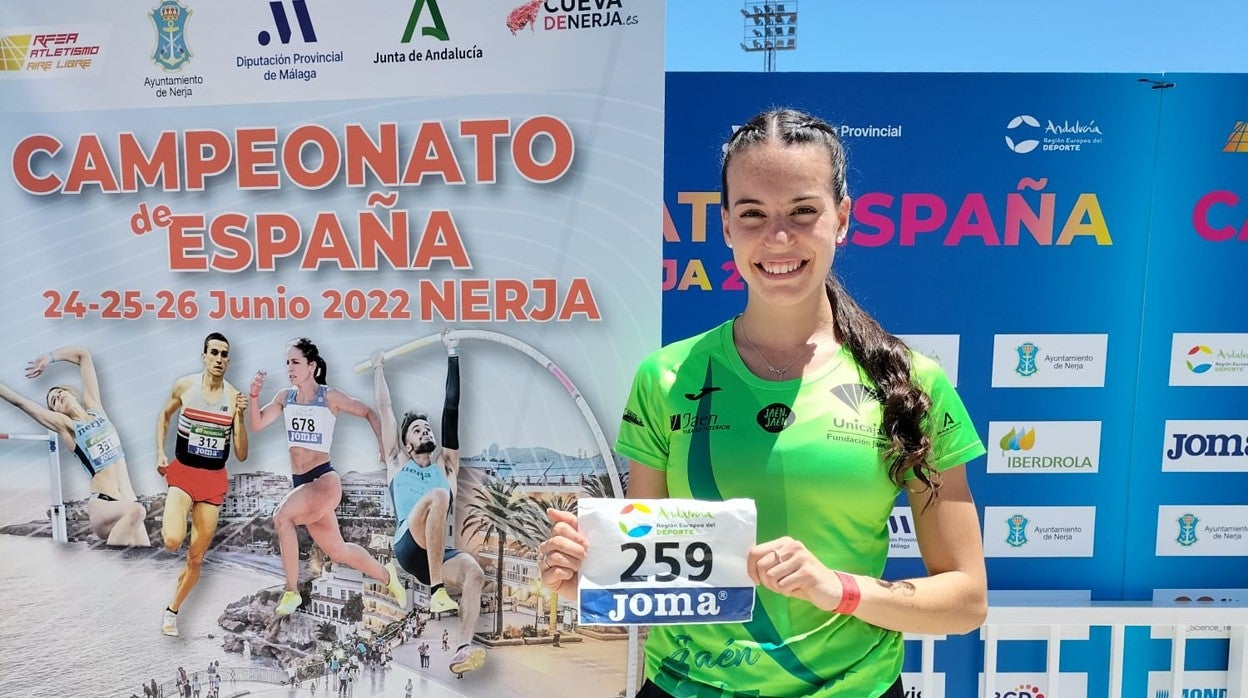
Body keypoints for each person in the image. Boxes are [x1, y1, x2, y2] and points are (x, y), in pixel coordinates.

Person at [538, 108, 988, 698]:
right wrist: (590, 580)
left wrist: (840, 589)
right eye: (753, 215)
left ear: (842, 219)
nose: (778, 239)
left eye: (803, 212)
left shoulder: (911, 384)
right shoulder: (666, 377)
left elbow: (965, 599)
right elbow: (649, 573)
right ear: (725, 226)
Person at [247, 338, 406, 616]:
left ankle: (292, 592)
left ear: (312, 366)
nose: (290, 368)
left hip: (323, 481)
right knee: (338, 552)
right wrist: (254, 396)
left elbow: (369, 412)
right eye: (287, 362)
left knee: (282, 517)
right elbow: (257, 424)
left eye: (295, 362)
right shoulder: (285, 397)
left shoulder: (328, 397)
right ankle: (387, 576)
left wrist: (383, 446)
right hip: (303, 486)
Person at [370, 332, 487, 676]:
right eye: (417, 431)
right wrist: (379, 368)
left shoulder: (446, 467)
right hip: (408, 545)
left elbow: (451, 409)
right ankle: (437, 591)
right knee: (436, 497)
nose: (425, 432)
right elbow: (385, 409)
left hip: (436, 555)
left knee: (474, 573)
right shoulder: (396, 463)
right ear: (406, 445)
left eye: (426, 429)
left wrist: (453, 353)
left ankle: (463, 649)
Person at [0, 346, 150, 546]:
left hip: (129, 505)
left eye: (60, 392)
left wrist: (50, 358)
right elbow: (21, 403)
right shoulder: (68, 427)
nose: (58, 397)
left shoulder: (97, 409)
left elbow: (84, 355)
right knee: (137, 512)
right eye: (54, 401)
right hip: (104, 505)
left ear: (73, 394)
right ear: (57, 412)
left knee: (142, 561)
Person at [157, 332, 250, 637]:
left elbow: (241, 453)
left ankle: (172, 613)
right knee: (172, 540)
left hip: (212, 482)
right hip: (183, 473)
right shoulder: (185, 386)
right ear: (204, 356)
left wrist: (239, 416)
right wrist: (160, 451)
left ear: (228, 360)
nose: (219, 359)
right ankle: (174, 526)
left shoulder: (233, 397)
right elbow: (164, 416)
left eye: (224, 354)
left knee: (196, 558)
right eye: (214, 353)